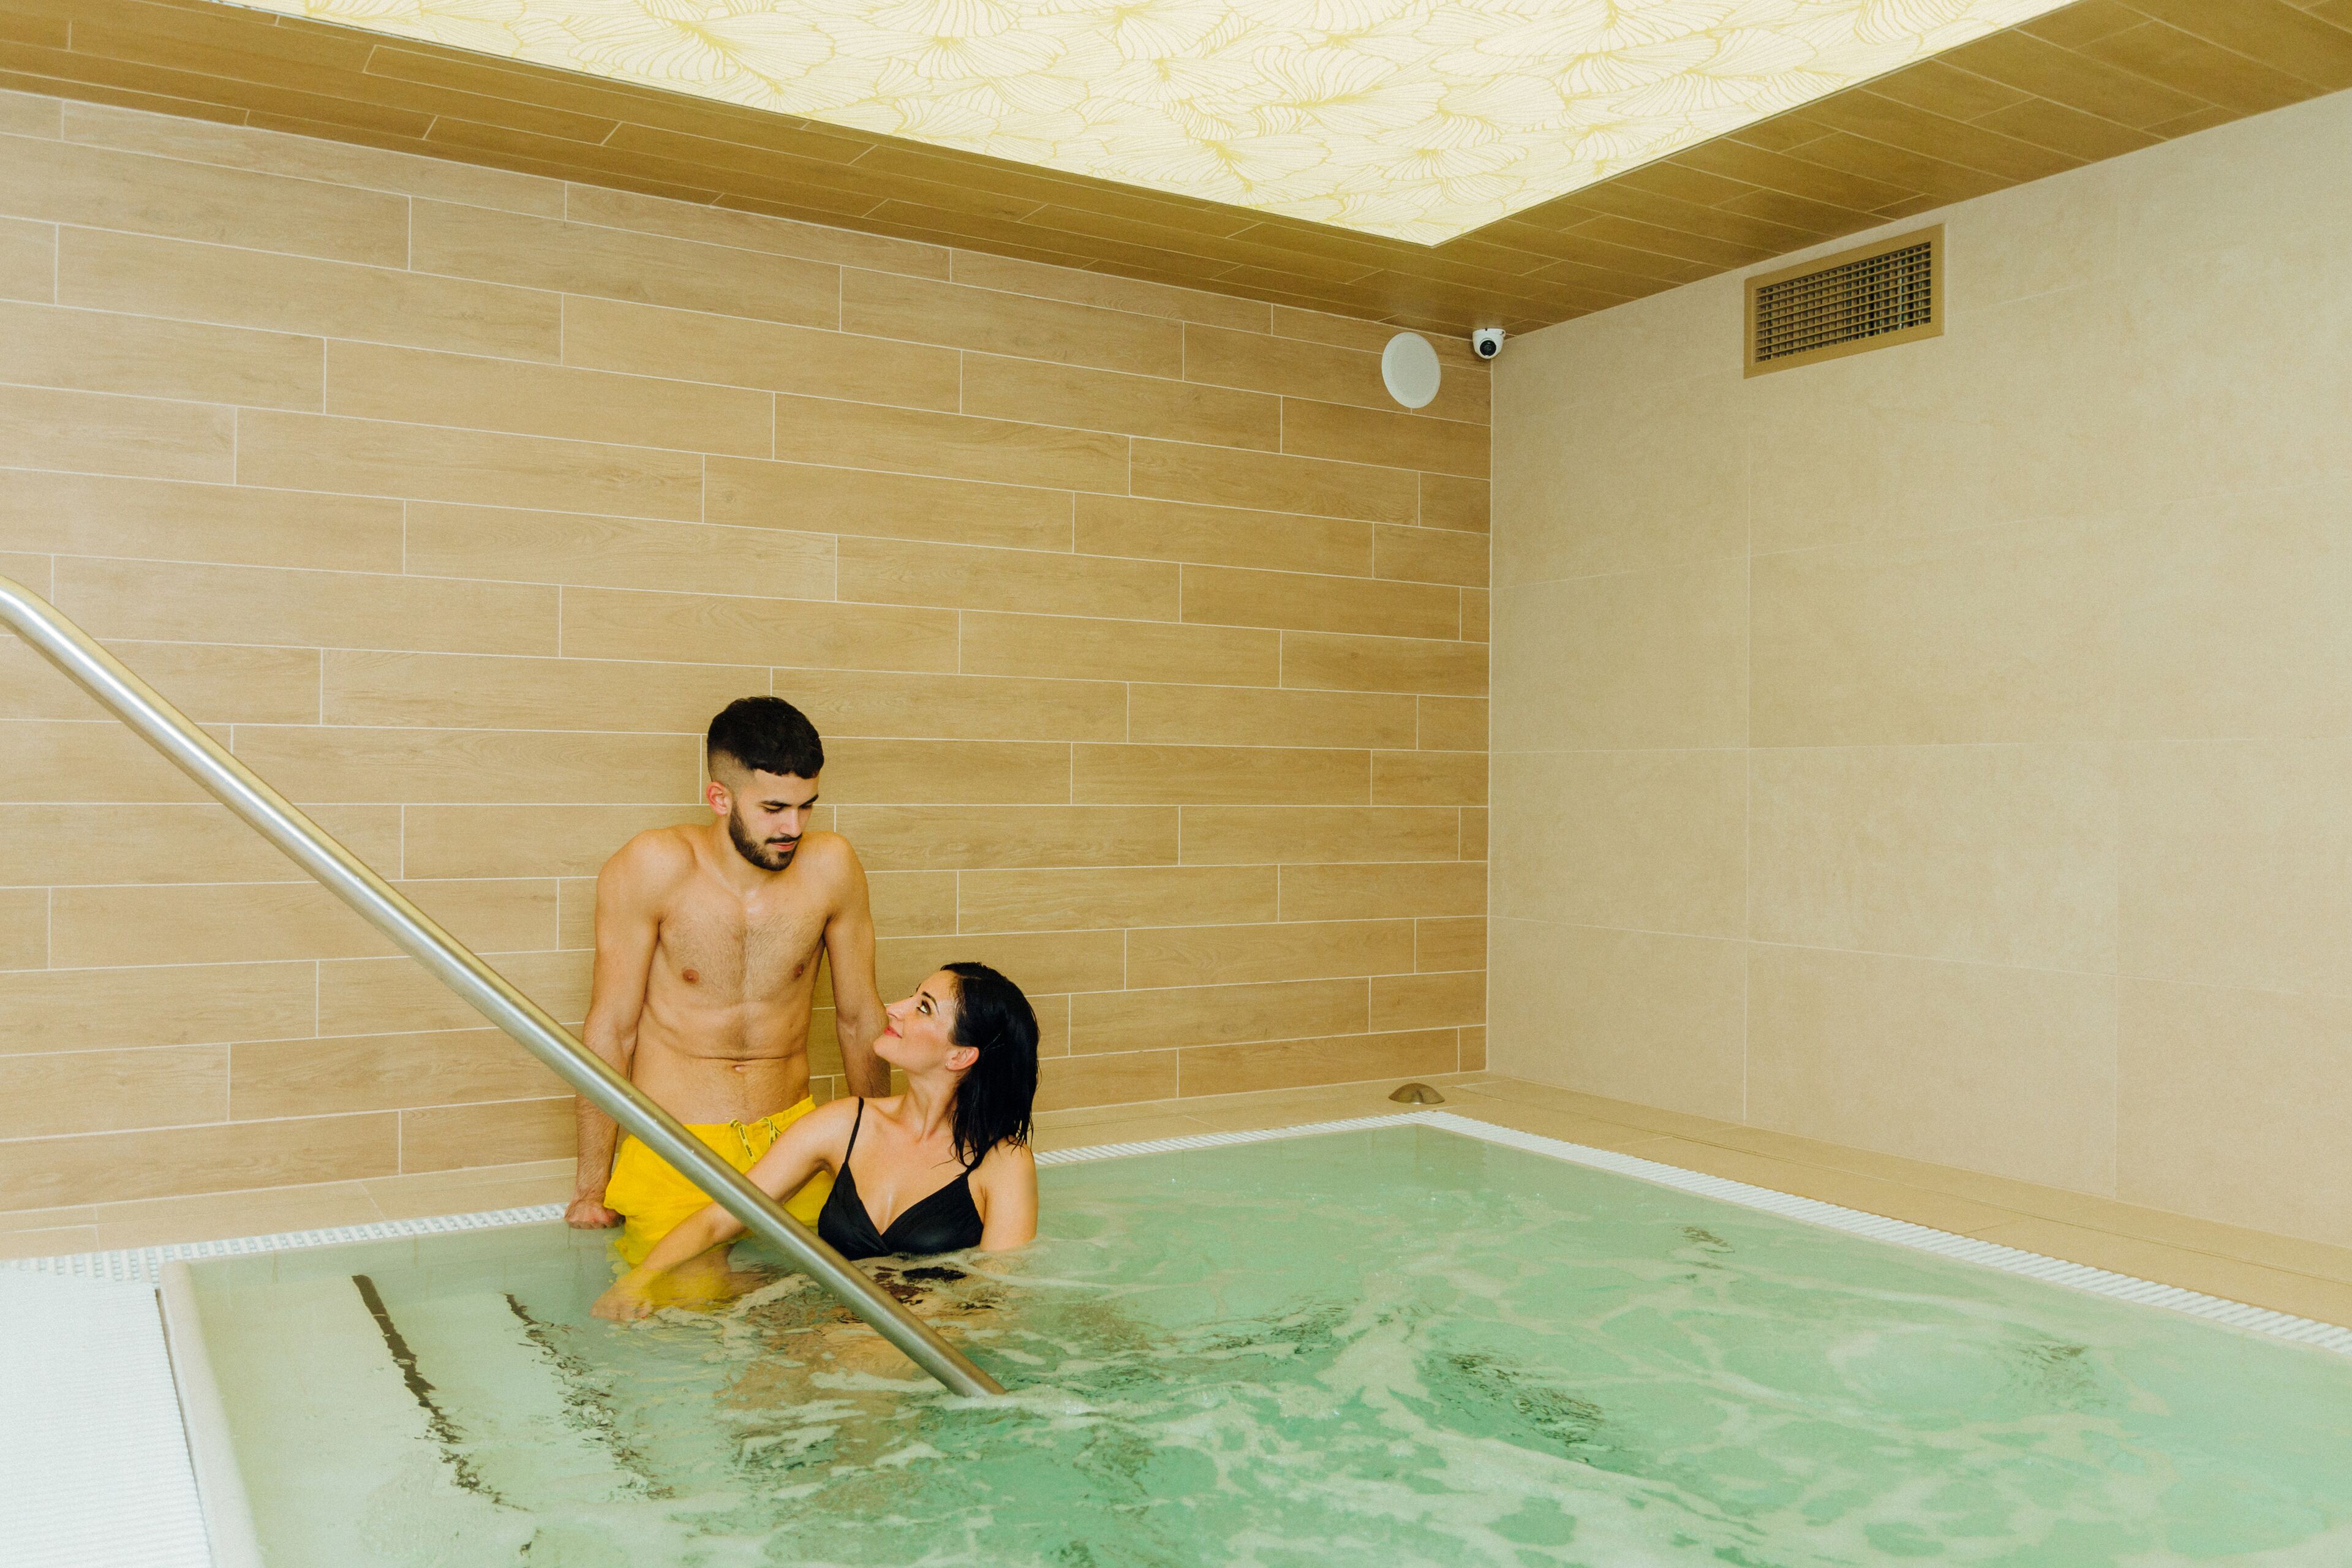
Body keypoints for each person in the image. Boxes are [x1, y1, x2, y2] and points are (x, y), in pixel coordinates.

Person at [568, 696, 891, 1294]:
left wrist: (879, 1150)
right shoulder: (652, 865)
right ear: (720, 798)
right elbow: (612, 1029)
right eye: (773, 808)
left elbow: (859, 1018)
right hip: (678, 1143)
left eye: (804, 807)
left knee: (861, 1292)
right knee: (690, 1307)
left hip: (793, 1139)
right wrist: (592, 1185)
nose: (793, 828)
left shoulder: (832, 868)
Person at [593, 963, 1039, 1321]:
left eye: (923, 1008)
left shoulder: (1002, 1162)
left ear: (961, 1055)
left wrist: (889, 1330)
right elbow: (720, 1219)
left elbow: (994, 1299)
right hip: (828, 1321)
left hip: (924, 1343)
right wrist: (638, 1281)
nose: (894, 1008)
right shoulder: (843, 1125)